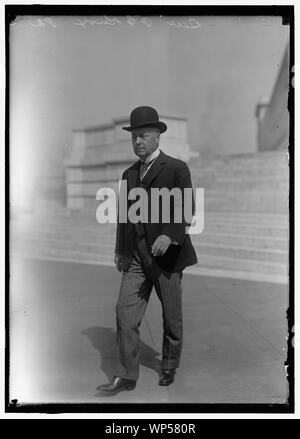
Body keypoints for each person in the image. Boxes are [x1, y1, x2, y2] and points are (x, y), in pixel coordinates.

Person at [98, 106, 197, 395]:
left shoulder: (177, 168)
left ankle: (168, 365)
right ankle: (127, 375)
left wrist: (170, 235)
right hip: (137, 257)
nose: (138, 141)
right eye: (134, 137)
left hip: (167, 255)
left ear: (157, 137)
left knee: (172, 315)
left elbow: (186, 207)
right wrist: (121, 250)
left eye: (143, 135)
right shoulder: (129, 174)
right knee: (123, 312)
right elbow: (124, 217)